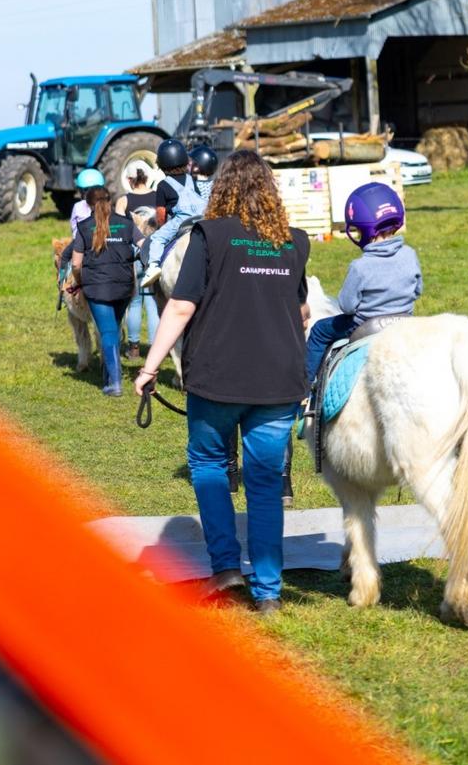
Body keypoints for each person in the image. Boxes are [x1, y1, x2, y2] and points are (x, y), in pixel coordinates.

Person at [134, 150, 310, 614]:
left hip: (216, 378)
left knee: (211, 466)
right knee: (266, 483)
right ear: (270, 193)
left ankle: (227, 567)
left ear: (221, 189)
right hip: (278, 382)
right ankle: (269, 592)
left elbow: (180, 306)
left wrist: (151, 367)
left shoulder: (207, 236)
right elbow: (302, 312)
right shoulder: (295, 241)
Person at [305, 183, 423, 387]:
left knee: (318, 331)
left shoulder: (360, 266)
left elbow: (346, 306)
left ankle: (306, 387)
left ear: (362, 229)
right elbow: (418, 289)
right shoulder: (410, 254)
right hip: (405, 319)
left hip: (364, 325)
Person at [71, 186, 145, 397]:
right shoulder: (127, 224)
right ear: (111, 201)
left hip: (96, 287)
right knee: (113, 327)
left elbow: (76, 264)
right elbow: (144, 244)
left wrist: (79, 282)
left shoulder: (84, 227)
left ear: (88, 205)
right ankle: (109, 373)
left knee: (109, 332)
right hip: (124, 286)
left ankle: (114, 382)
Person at [140, 140, 206, 288]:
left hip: (182, 220)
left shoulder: (163, 185)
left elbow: (161, 214)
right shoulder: (192, 179)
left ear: (162, 165)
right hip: (203, 217)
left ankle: (153, 267)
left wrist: (162, 226)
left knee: (157, 238)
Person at [116, 164, 159, 358]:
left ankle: (133, 348)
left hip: (132, 254)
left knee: (134, 302)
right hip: (155, 252)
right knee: (152, 302)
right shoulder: (159, 196)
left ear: (129, 179)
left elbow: (117, 228)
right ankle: (155, 347)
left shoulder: (124, 201)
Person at [57, 168, 105, 285]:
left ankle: (62, 281)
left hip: (81, 239)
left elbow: (73, 226)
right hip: (102, 237)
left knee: (64, 256)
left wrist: (76, 238)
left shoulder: (78, 206)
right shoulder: (104, 205)